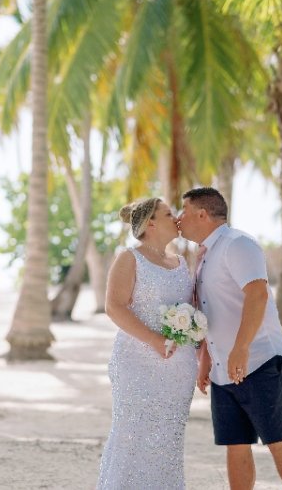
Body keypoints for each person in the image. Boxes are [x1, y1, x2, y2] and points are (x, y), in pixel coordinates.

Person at [178, 187, 282, 490]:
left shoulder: (238, 244)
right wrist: (206, 361)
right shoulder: (205, 255)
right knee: (235, 443)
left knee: (277, 437)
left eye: (183, 211)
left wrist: (241, 348)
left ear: (202, 214)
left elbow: (257, 294)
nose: (180, 219)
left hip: (259, 358)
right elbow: (211, 311)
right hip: (224, 367)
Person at [97, 197, 198, 490]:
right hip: (136, 364)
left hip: (179, 368)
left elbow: (189, 308)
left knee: (168, 438)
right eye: (169, 213)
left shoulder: (180, 262)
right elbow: (114, 307)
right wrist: (154, 340)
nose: (176, 217)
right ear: (151, 223)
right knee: (132, 434)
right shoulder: (129, 258)